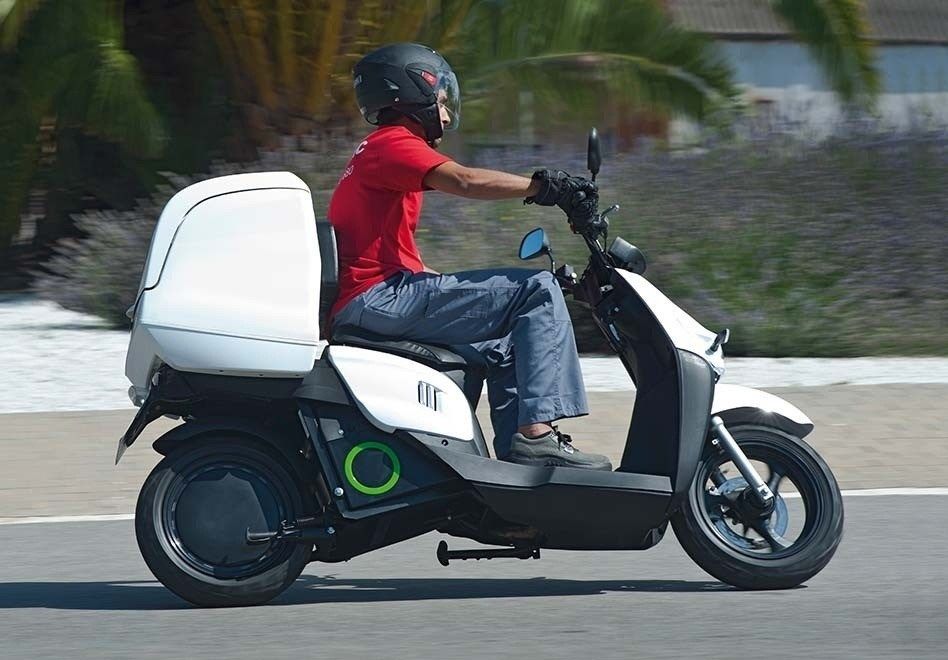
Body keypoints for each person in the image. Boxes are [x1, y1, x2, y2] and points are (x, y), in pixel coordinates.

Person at [328, 42, 611, 471]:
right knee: (536, 289)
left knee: (502, 345)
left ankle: (518, 475)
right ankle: (538, 434)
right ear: (410, 92)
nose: (444, 115)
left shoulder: (375, 151)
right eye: (440, 101)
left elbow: (398, 256)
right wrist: (545, 187)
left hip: (378, 295)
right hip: (378, 298)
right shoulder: (392, 143)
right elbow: (465, 180)